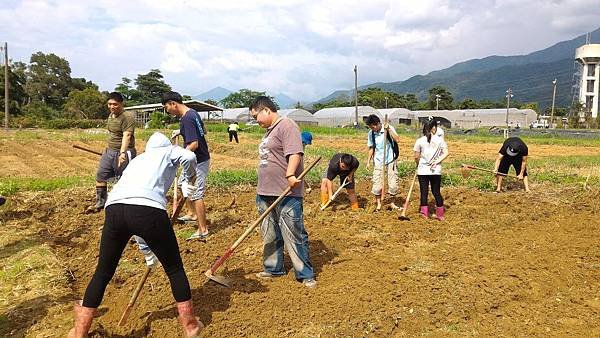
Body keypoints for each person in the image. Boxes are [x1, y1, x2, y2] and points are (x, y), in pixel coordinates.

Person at [68, 132, 202, 338]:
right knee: (175, 269)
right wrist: (189, 179)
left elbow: (131, 213)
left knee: (103, 272)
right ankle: (191, 326)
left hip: (115, 209)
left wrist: (147, 250)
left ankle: (79, 332)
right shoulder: (168, 151)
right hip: (148, 210)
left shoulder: (139, 159)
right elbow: (190, 157)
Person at [250, 96, 316, 288]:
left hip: (286, 191)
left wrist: (289, 174)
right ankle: (273, 268)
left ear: (266, 110)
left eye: (256, 116)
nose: (256, 121)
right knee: (269, 232)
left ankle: (304, 273)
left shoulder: (287, 126)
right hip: (265, 190)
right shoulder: (269, 131)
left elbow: (295, 152)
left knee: (294, 232)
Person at [162, 91, 211, 240]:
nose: (167, 111)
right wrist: (180, 131)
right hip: (195, 159)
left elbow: (194, 144)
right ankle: (192, 214)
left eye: (166, 107)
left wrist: (179, 157)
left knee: (196, 193)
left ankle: (203, 230)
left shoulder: (186, 119)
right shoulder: (192, 113)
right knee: (182, 184)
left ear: (173, 104)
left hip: (198, 160)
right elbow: (204, 130)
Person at [86, 92, 136, 213]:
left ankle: (125, 204)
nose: (112, 107)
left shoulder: (127, 117)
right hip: (110, 151)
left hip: (124, 151)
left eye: (115, 104)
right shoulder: (111, 115)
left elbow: (127, 135)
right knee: (101, 176)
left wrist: (122, 153)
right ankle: (101, 202)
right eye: (109, 104)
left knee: (124, 179)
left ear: (121, 104)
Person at [413, 119, 449, 220]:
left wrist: (417, 164)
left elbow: (416, 156)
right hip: (435, 170)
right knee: (436, 192)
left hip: (423, 170)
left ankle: (424, 214)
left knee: (424, 192)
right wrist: (437, 161)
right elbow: (446, 153)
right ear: (434, 128)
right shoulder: (440, 140)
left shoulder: (419, 141)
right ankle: (440, 215)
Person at [365, 114, 401, 211]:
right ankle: (379, 204)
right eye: (370, 127)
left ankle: (392, 203)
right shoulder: (371, 133)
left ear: (377, 124)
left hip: (390, 159)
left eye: (373, 127)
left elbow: (397, 139)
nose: (372, 129)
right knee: (377, 184)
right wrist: (368, 162)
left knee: (393, 184)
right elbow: (371, 148)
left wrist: (388, 129)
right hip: (378, 160)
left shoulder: (388, 129)